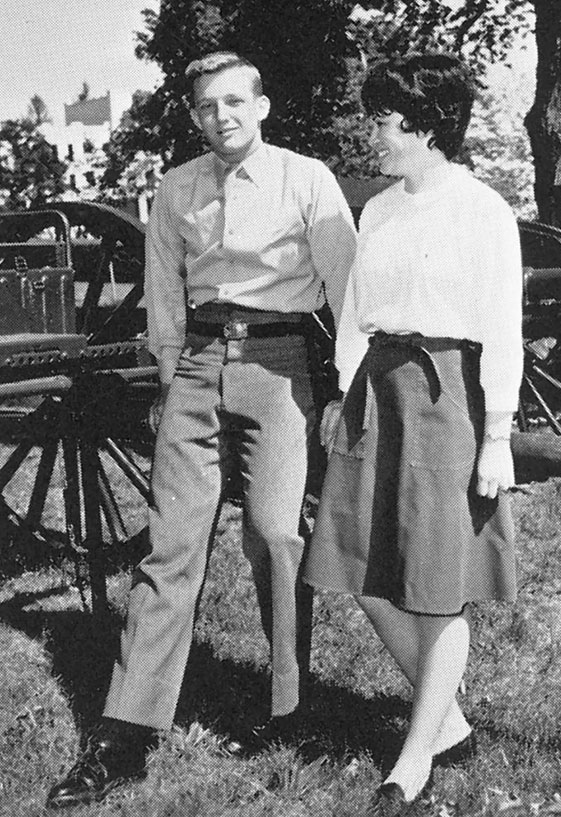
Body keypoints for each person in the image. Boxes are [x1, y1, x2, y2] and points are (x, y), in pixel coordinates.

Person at [46, 51, 357, 809]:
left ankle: (291, 708)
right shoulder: (176, 186)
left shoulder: (305, 180)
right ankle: (125, 733)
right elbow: (163, 296)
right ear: (193, 117)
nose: (221, 117)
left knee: (276, 534)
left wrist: (345, 388)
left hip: (282, 365)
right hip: (196, 365)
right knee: (170, 547)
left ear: (261, 104)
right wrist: (168, 380)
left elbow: (350, 292)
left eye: (233, 102)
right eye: (206, 108)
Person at [304, 51, 523, 815]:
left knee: (438, 587)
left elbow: (502, 327)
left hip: (446, 399)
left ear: (425, 125)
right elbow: (356, 309)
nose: (373, 131)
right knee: (360, 571)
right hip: (377, 393)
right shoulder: (381, 208)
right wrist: (343, 395)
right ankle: (449, 723)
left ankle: (412, 758)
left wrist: (496, 433)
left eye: (383, 117)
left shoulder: (480, 210)